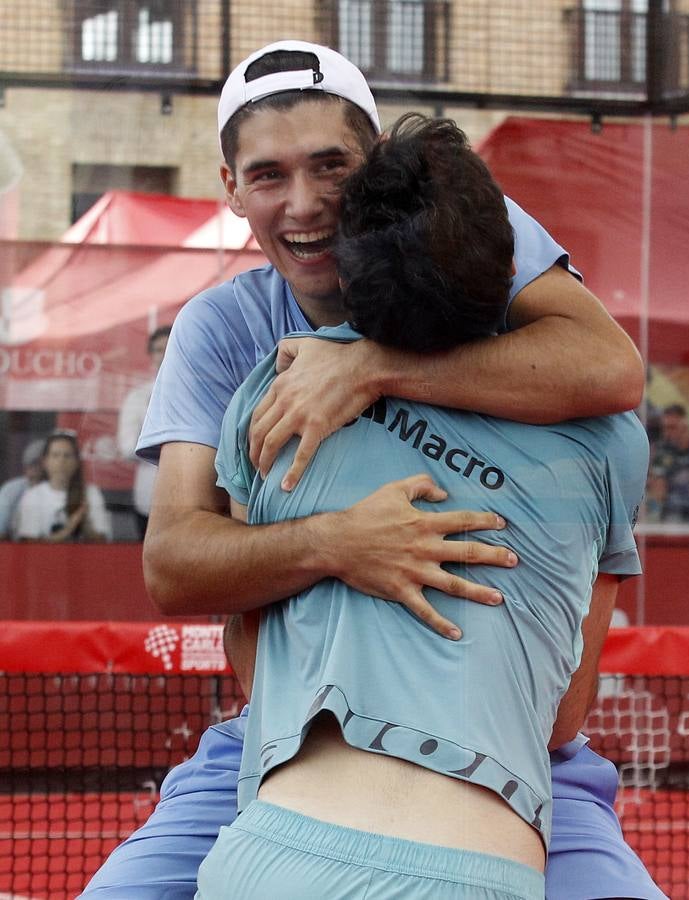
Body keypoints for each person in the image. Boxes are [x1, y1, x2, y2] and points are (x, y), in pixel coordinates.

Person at [78, 40, 659, 900]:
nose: (305, 204)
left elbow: (612, 368)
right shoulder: (224, 335)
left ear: (380, 161)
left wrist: (371, 369)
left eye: (331, 166)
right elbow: (174, 564)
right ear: (231, 189)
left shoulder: (472, 236)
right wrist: (341, 543)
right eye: (268, 175)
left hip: (517, 756)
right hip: (284, 740)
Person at [116, 325, 171, 538]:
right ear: (151, 355)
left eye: (169, 347)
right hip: (148, 498)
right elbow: (127, 448)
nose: (164, 354)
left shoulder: (202, 390)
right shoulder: (137, 398)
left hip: (194, 494)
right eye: (158, 349)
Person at [14, 429, 111, 542]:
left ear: (76, 462)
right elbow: (28, 545)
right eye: (55, 455)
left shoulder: (91, 493)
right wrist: (68, 529)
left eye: (67, 456)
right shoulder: (33, 496)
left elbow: (103, 541)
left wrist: (85, 524)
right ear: (45, 462)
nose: (61, 461)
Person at [0, 437, 45, 539]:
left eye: (42, 464)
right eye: (33, 464)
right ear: (25, 467)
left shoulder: (60, 490)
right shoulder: (11, 490)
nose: (38, 469)